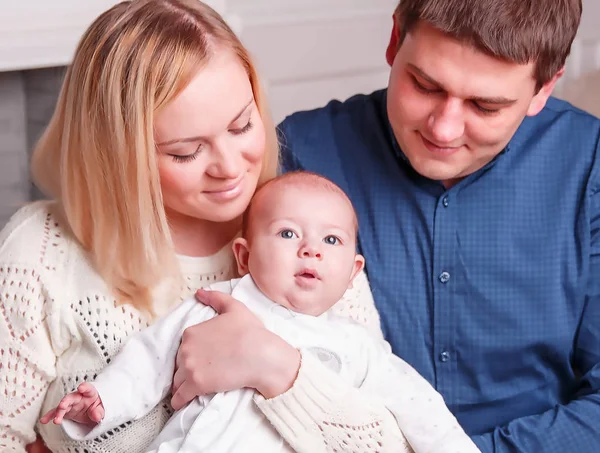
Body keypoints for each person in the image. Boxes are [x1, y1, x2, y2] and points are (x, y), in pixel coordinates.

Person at [0, 2, 406, 453]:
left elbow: (395, 436)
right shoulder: (40, 251)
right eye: (186, 152)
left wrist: (277, 369)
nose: (231, 169)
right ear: (117, 157)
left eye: (242, 125)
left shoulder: (306, 233)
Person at [271, 0, 600, 451]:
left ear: (544, 89)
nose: (444, 130)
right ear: (394, 41)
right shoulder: (302, 152)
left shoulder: (589, 166)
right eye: (424, 86)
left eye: (485, 107)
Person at [39, 171, 480, 453]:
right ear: (245, 257)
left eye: (331, 241)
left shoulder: (357, 346)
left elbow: (420, 407)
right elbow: (148, 358)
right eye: (288, 233)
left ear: (353, 272)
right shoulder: (218, 303)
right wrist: (103, 399)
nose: (310, 248)